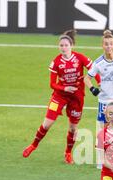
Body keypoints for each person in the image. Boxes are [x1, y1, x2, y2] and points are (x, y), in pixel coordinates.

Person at [22, 30, 100, 164]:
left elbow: (94, 70)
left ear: (71, 46)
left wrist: (99, 83)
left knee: (73, 128)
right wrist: (65, 88)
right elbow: (52, 84)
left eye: (66, 45)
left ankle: (68, 153)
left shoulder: (80, 58)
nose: (63, 48)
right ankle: (33, 145)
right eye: (61, 45)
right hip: (59, 96)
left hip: (77, 97)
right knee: (47, 124)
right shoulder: (56, 62)